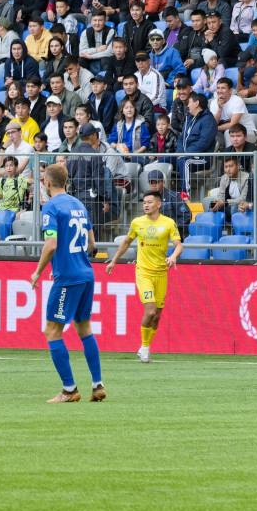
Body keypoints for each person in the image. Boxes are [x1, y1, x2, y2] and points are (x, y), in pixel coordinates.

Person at [29, 163, 106, 404]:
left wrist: (38, 272)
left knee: (52, 331)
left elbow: (50, 244)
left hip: (68, 278)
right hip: (86, 274)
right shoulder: (79, 205)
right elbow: (92, 243)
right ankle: (97, 384)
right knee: (84, 328)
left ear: (47, 183)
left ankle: (69, 389)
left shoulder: (50, 207)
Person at [105, 191, 184, 364]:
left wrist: (173, 256)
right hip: (144, 271)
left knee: (157, 315)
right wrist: (114, 261)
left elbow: (179, 246)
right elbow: (126, 242)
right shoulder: (137, 223)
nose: (146, 205)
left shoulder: (169, 223)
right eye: (144, 202)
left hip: (161, 273)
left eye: (149, 202)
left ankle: (145, 347)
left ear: (158, 204)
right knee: (150, 310)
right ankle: (145, 347)